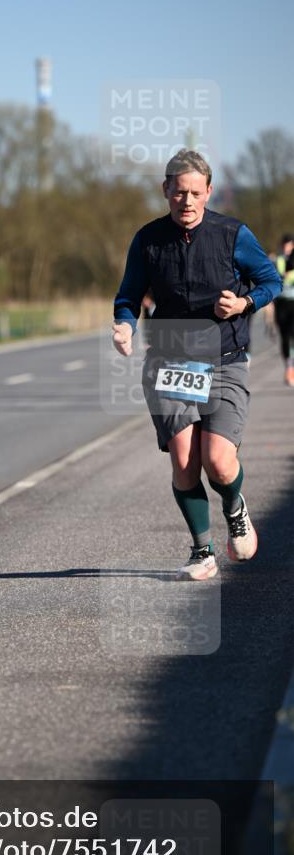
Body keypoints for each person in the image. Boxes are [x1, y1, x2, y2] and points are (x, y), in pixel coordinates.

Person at [112, 149, 282, 580]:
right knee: (185, 462)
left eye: (195, 193)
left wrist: (244, 302)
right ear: (165, 190)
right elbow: (129, 295)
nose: (187, 202)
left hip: (225, 360)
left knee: (219, 461)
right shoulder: (147, 240)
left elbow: (271, 281)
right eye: (179, 192)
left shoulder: (232, 234)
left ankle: (234, 506)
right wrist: (125, 326)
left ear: (208, 192)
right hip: (170, 361)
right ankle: (201, 550)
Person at [273, 233, 294, 386]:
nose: (288, 248)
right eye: (286, 245)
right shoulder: (278, 260)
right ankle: (288, 366)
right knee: (284, 336)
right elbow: (276, 278)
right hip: (281, 303)